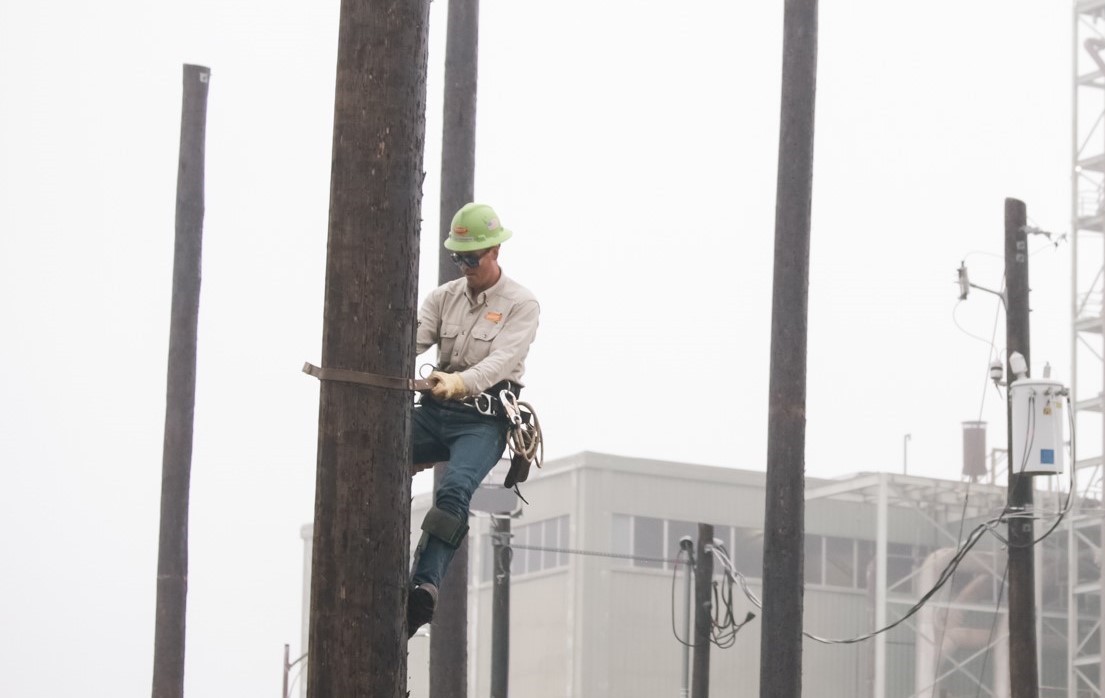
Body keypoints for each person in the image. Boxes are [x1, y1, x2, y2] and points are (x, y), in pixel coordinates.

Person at [407, 202, 540, 637]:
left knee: (455, 488)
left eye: (471, 257)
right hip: (434, 412)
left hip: (482, 420)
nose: (464, 265)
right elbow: (413, 340)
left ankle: (423, 586)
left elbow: (503, 360)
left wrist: (460, 382)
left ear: (494, 252)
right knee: (374, 454)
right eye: (458, 257)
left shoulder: (521, 304)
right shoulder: (443, 298)